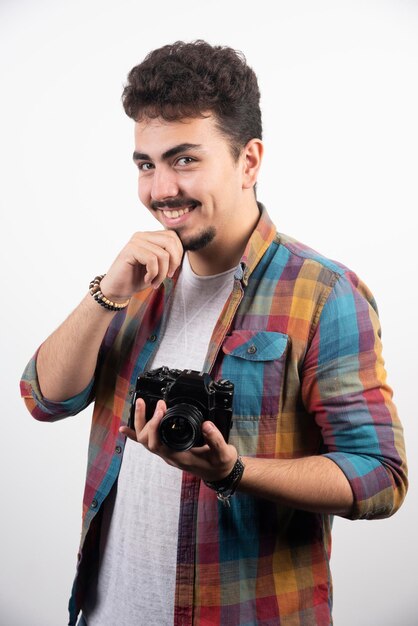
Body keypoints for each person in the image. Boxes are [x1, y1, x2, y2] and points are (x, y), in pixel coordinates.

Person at [20, 40, 408, 626]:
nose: (160, 190)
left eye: (184, 159)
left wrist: (234, 472)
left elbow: (381, 476)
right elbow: (43, 399)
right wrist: (107, 292)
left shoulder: (323, 293)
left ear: (249, 160)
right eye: (146, 165)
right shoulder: (135, 281)